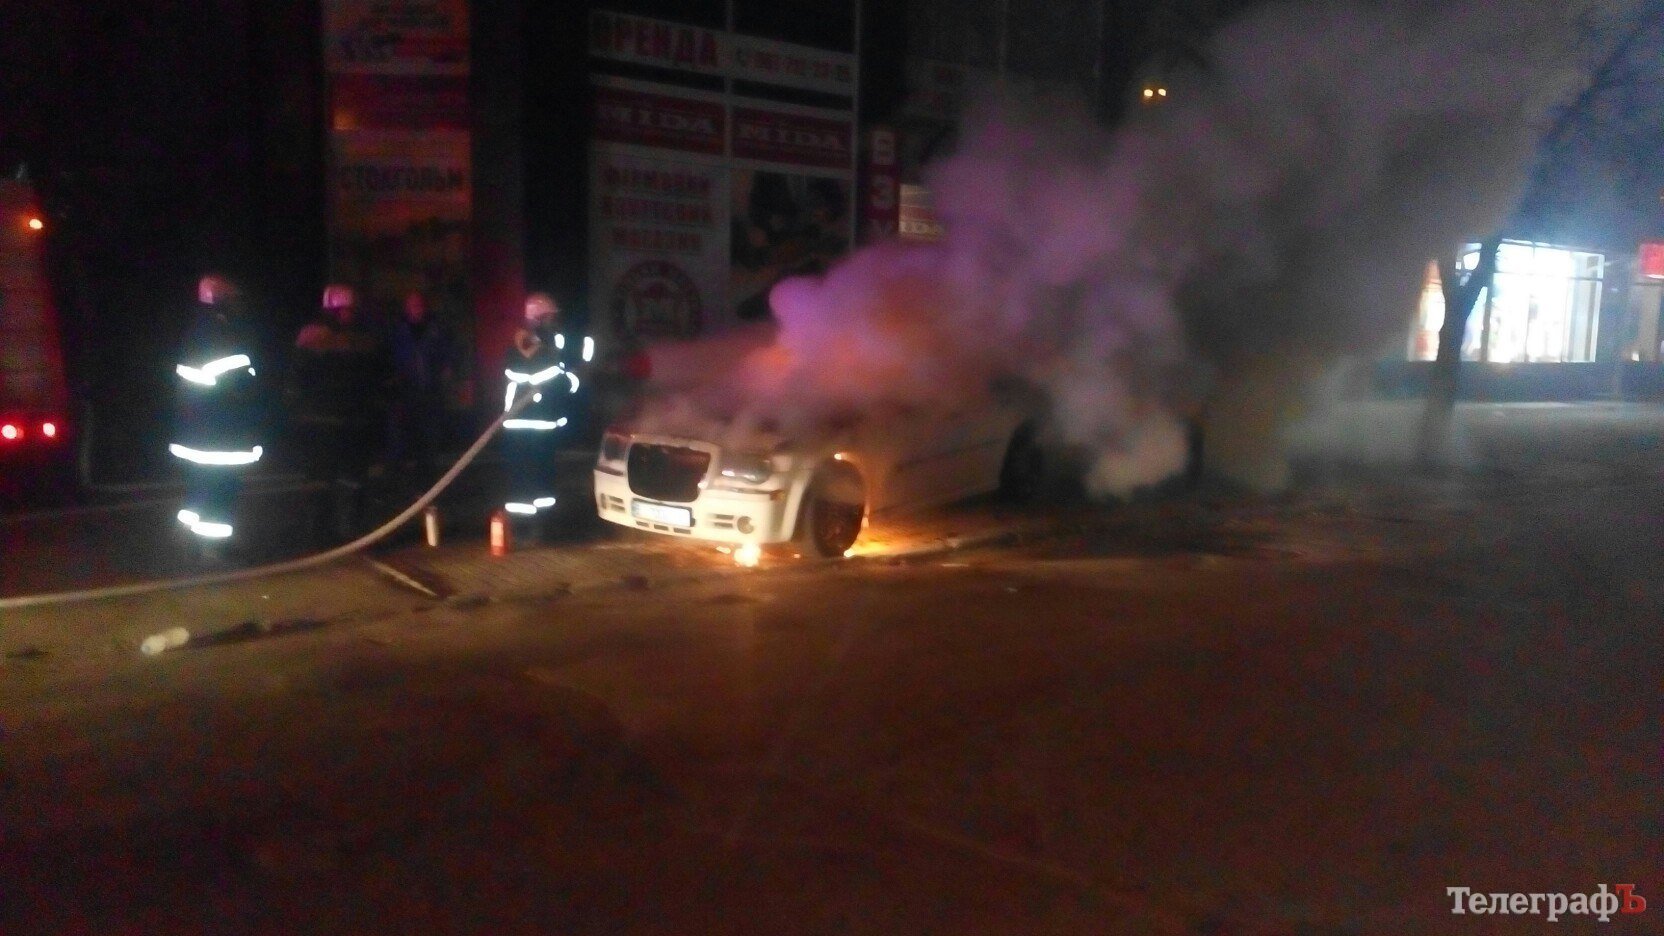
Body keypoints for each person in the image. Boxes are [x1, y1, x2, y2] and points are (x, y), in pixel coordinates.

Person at [170, 274, 267, 556]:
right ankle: (212, 549)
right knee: (221, 490)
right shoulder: (222, 336)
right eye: (233, 300)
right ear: (221, 301)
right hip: (220, 432)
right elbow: (240, 389)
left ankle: (186, 536)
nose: (240, 306)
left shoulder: (197, 331)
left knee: (201, 487)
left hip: (198, 430)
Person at [287, 283, 389, 544]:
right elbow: (299, 380)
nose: (349, 314)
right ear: (333, 310)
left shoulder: (361, 338)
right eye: (345, 310)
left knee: (353, 478)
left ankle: (351, 530)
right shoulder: (314, 338)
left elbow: (374, 378)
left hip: (352, 421)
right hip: (323, 421)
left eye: (352, 310)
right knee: (322, 480)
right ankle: (319, 532)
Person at [500, 292, 592, 530]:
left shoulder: (538, 344)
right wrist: (575, 379)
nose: (554, 322)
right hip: (529, 422)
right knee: (531, 475)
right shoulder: (528, 346)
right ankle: (528, 526)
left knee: (535, 475)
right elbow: (550, 379)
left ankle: (538, 524)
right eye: (550, 317)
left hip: (533, 422)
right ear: (537, 319)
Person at [385, 289, 454, 492]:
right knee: (402, 443)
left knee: (429, 445)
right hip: (404, 396)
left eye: (419, 305)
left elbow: (446, 360)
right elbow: (391, 360)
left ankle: (428, 488)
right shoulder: (398, 332)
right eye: (412, 305)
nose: (416, 309)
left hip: (429, 395)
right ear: (406, 308)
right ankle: (401, 489)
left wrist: (444, 380)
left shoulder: (435, 332)